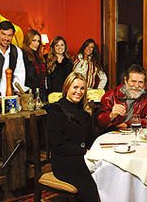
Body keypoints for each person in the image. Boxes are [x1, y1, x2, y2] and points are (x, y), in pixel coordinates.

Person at [45, 72, 99, 202]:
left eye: (82, 88)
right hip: (64, 162)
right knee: (91, 189)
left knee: (106, 176)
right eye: (75, 87)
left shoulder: (84, 113)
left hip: (82, 158)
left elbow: (90, 140)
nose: (78, 92)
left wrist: (90, 117)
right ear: (67, 88)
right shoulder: (56, 111)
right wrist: (83, 151)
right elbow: (57, 145)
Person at [96, 64, 147, 132]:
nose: (137, 86)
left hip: (138, 135)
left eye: (140, 82)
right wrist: (111, 115)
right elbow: (99, 124)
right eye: (133, 81)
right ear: (125, 80)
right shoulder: (109, 96)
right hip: (114, 135)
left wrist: (128, 123)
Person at [22, 29, 47, 101]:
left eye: (38, 41)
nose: (36, 43)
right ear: (28, 40)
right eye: (34, 40)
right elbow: (27, 76)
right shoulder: (23, 55)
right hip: (29, 92)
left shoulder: (39, 55)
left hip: (41, 91)